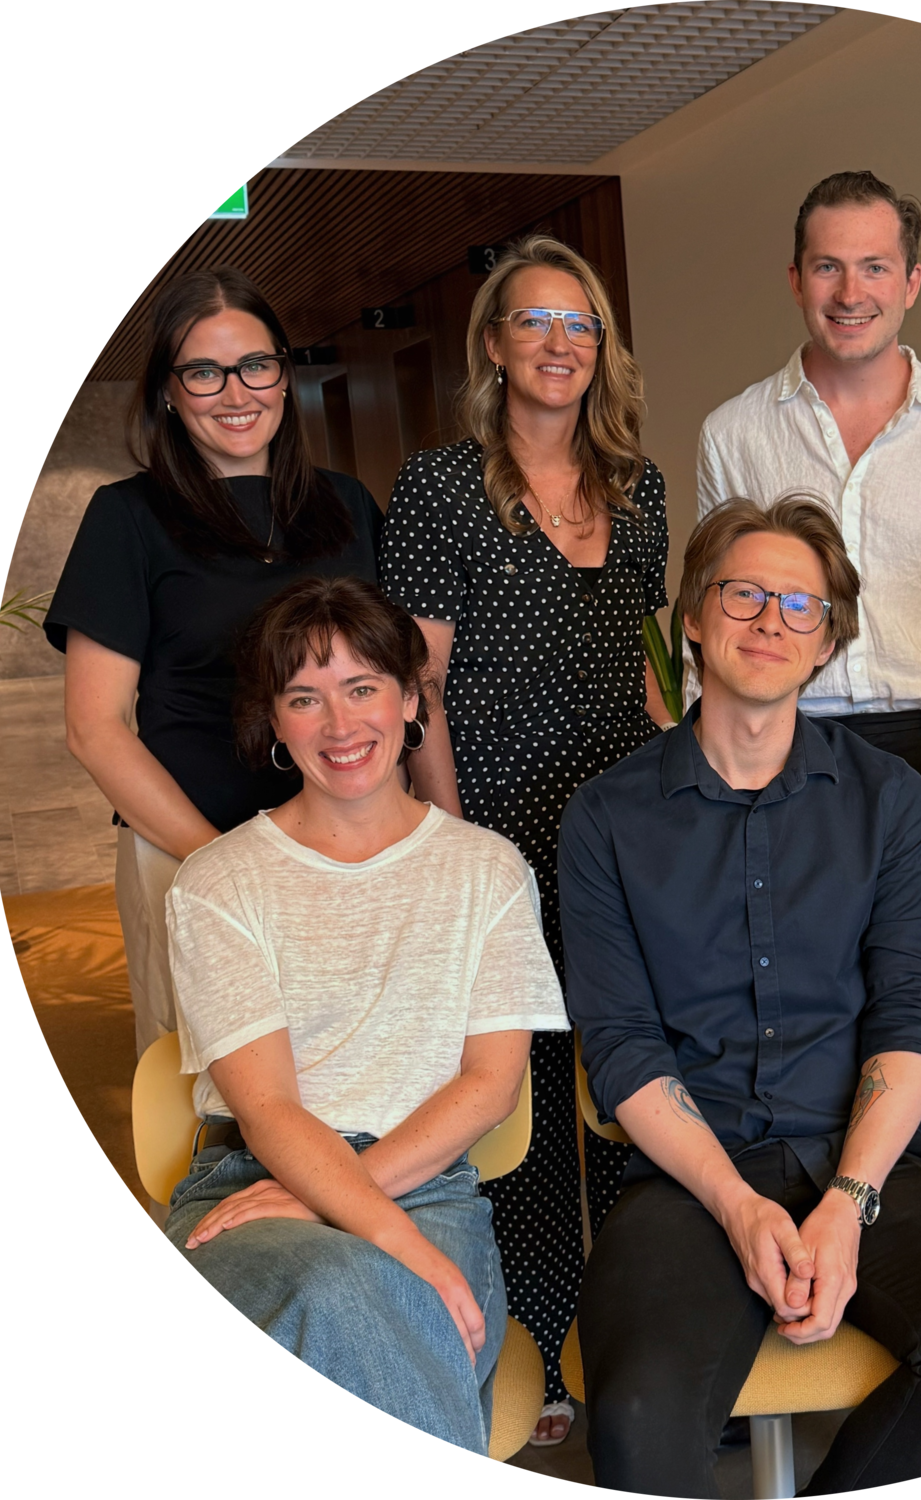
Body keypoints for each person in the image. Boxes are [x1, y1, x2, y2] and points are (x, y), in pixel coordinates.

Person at [561, 496, 921, 1496]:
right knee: (640, 1413)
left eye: (801, 605)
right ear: (693, 616)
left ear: (827, 640)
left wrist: (848, 1201)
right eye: (744, 595)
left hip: (869, 1165)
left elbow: (913, 1015)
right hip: (689, 1180)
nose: (772, 621)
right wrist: (738, 1207)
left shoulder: (889, 802)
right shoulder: (605, 816)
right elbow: (620, 1046)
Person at [164, 575, 568, 1457]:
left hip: (430, 1192)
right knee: (345, 1295)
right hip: (251, 1190)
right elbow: (266, 1107)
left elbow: (491, 1086)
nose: (341, 727)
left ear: (410, 699)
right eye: (306, 698)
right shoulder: (218, 883)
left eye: (362, 688)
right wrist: (394, 1246)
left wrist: (351, 1209)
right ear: (274, 721)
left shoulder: (489, 872)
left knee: (341, 1312)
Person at [378, 234, 672, 1444]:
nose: (560, 343)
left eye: (581, 324)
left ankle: (637, 1334)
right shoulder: (443, 490)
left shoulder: (641, 488)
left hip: (621, 827)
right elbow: (420, 690)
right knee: (530, 1099)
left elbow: (653, 670)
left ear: (602, 350)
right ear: (493, 346)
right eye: (535, 322)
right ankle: (543, 1353)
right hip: (495, 824)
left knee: (629, 1075)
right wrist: (461, 847)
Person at [694, 170, 921, 928]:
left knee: (912, 981)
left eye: (875, 267)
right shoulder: (734, 434)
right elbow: (716, 612)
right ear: (797, 279)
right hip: (779, 740)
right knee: (777, 970)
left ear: (912, 281)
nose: (850, 291)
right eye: (829, 266)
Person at [44, 267, 380, 1059]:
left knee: (350, 1068)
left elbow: (388, 682)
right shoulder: (126, 517)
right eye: (204, 371)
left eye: (256, 365)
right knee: (202, 1092)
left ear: (284, 375)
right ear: (168, 389)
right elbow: (94, 730)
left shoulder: (347, 505)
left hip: (342, 848)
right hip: (188, 851)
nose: (237, 392)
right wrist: (225, 865)